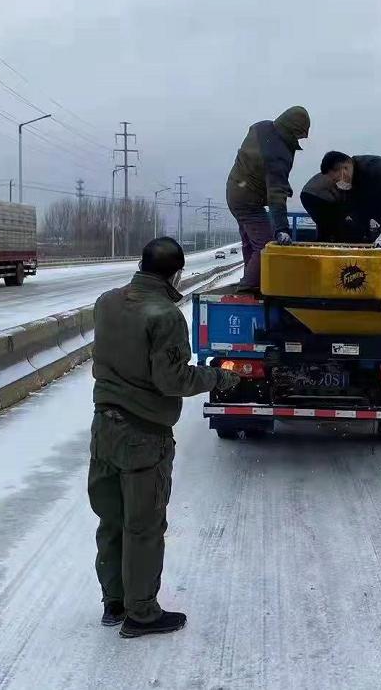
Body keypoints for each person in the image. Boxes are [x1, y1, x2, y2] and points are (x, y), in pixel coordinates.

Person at [89, 237, 240, 639]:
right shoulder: (165, 316)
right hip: (143, 433)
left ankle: (114, 602)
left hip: (104, 428)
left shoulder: (106, 302)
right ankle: (141, 615)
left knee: (113, 518)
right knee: (144, 524)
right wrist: (218, 376)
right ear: (175, 274)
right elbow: (171, 381)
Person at [225, 106, 311, 291]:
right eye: (298, 136)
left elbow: (260, 167)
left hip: (235, 190)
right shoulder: (277, 154)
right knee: (265, 245)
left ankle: (253, 283)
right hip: (248, 200)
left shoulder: (261, 127)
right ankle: (248, 287)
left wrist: (276, 181)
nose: (298, 140)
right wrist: (282, 228)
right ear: (292, 131)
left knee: (250, 241)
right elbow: (276, 195)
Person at [300, 171, 367, 243]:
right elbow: (347, 201)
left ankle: (323, 241)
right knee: (338, 226)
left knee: (324, 224)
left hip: (306, 194)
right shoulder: (353, 177)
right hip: (322, 197)